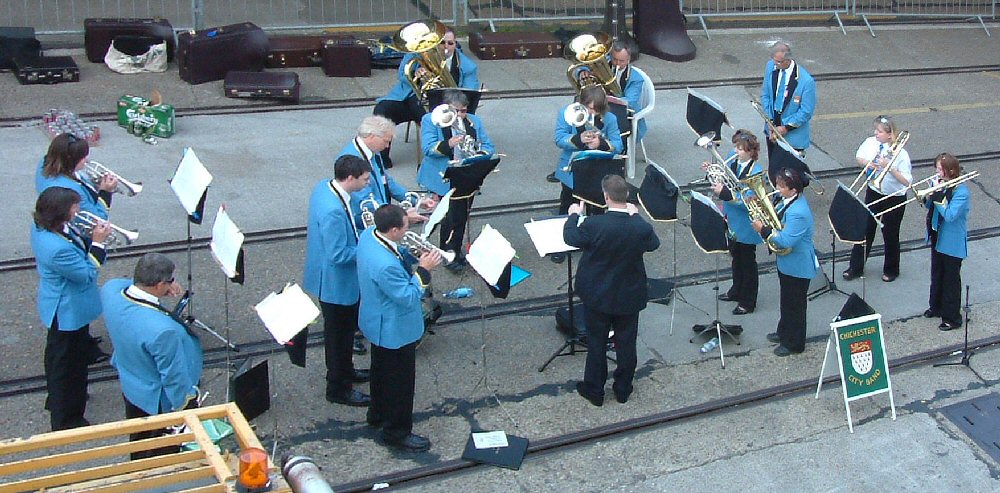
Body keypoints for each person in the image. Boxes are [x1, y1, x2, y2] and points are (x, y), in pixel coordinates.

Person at [563, 175, 659, 406]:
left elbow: (570, 237)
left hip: (598, 294)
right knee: (627, 343)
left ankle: (595, 390)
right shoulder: (639, 226)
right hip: (629, 294)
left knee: (597, 342)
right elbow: (653, 244)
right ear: (626, 197)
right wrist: (636, 216)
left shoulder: (594, 225)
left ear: (606, 197)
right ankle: (623, 388)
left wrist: (573, 214)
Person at [357, 205, 442, 452]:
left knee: (381, 373)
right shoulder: (386, 265)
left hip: (376, 321)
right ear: (393, 229)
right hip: (395, 328)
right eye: (405, 227)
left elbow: (395, 252)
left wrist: (411, 252)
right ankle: (396, 431)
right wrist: (424, 270)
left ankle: (377, 415)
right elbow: (408, 295)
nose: (408, 230)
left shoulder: (369, 235)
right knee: (401, 384)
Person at [101, 253, 202, 459]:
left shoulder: (110, 291)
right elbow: (173, 377)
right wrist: (188, 405)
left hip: (132, 383)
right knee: (161, 451)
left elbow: (126, 284)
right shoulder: (163, 332)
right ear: (158, 285)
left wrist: (162, 287)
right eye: (169, 281)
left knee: (138, 439)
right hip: (157, 398)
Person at [30, 187, 110, 430]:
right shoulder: (57, 248)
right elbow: (85, 274)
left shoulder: (50, 227)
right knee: (69, 366)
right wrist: (97, 244)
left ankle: (57, 400)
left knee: (59, 358)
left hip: (65, 305)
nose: (78, 210)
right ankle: (67, 418)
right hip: (68, 308)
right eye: (74, 207)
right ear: (61, 212)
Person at [302, 155, 374, 407]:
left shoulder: (324, 187)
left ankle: (346, 371)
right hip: (337, 284)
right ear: (351, 178)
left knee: (341, 336)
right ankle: (338, 387)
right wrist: (371, 244)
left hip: (326, 277)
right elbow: (339, 255)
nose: (367, 183)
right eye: (365, 179)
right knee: (339, 337)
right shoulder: (333, 210)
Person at [372, 26, 479, 168]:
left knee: (428, 118)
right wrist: (416, 73)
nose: (445, 47)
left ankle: (433, 161)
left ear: (455, 44)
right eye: (441, 43)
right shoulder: (417, 53)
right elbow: (402, 75)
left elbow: (469, 93)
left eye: (450, 43)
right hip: (408, 98)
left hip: (438, 107)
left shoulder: (467, 66)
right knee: (382, 109)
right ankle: (381, 158)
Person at [418, 89, 495, 272]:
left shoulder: (473, 121)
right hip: (442, 177)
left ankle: (455, 248)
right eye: (456, 111)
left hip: (466, 175)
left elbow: (488, 145)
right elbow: (428, 149)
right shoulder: (431, 119)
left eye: (464, 110)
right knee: (447, 217)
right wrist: (449, 144)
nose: (460, 115)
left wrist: (480, 153)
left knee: (461, 215)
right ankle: (446, 253)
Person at [752, 168, 817, 357]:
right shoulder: (787, 200)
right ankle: (784, 332)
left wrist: (763, 230)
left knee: (795, 306)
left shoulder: (798, 212)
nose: (776, 188)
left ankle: (794, 343)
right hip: (787, 263)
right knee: (786, 301)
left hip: (797, 266)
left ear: (793, 190)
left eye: (781, 186)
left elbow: (786, 240)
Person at [843, 115, 912, 283]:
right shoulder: (871, 142)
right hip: (874, 191)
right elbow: (859, 158)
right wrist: (870, 163)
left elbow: (907, 181)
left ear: (890, 135)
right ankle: (856, 267)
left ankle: (891, 269)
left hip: (894, 197)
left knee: (890, 234)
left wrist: (889, 168)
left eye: (880, 131)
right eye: (876, 130)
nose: (876, 133)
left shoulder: (901, 154)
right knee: (866, 230)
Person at [703, 130, 764, 315]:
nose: (736, 151)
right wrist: (710, 171)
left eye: (741, 149)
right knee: (736, 258)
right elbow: (722, 176)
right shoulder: (732, 158)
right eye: (736, 147)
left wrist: (725, 194)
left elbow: (750, 201)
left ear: (751, 152)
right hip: (731, 219)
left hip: (746, 224)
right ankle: (736, 290)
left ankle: (748, 301)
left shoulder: (756, 172)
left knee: (748, 263)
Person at [343, 116, 434, 229]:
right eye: (386, 141)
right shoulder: (352, 159)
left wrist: (415, 200)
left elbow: (386, 180)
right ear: (372, 136)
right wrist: (400, 217)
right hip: (364, 222)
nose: (387, 146)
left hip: (379, 212)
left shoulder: (372, 151)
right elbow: (365, 200)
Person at [550, 84, 623, 227]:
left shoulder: (610, 118)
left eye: (598, 109)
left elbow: (618, 146)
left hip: (597, 169)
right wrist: (579, 139)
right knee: (568, 204)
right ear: (581, 104)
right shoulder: (566, 113)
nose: (594, 113)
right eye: (590, 108)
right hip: (572, 170)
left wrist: (600, 143)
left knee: (597, 209)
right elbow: (559, 139)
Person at [924, 153, 970, 331]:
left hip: (951, 240)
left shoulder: (962, 191)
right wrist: (928, 197)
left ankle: (952, 318)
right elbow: (932, 206)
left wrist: (938, 196)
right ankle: (936, 306)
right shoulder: (942, 184)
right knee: (937, 273)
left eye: (940, 169)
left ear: (950, 171)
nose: (937, 172)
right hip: (937, 234)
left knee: (950, 279)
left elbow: (950, 215)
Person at [759, 40, 815, 174]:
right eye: (773, 61)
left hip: (791, 135)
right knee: (774, 169)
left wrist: (785, 127)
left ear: (788, 60)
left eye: (778, 62)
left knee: (789, 175)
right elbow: (765, 95)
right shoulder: (771, 66)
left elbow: (806, 112)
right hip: (772, 128)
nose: (775, 64)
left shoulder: (806, 81)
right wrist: (770, 120)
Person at [36, 133, 117, 220]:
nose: (86, 160)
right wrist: (105, 192)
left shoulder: (45, 162)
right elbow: (99, 218)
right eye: (82, 157)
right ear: (71, 160)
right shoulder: (73, 192)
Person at [607, 41, 648, 155]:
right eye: (615, 59)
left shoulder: (636, 78)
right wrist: (582, 72)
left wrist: (611, 99)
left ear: (629, 60)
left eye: (622, 61)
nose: (617, 64)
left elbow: (630, 100)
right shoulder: (606, 63)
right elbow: (586, 66)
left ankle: (618, 151)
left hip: (624, 112)